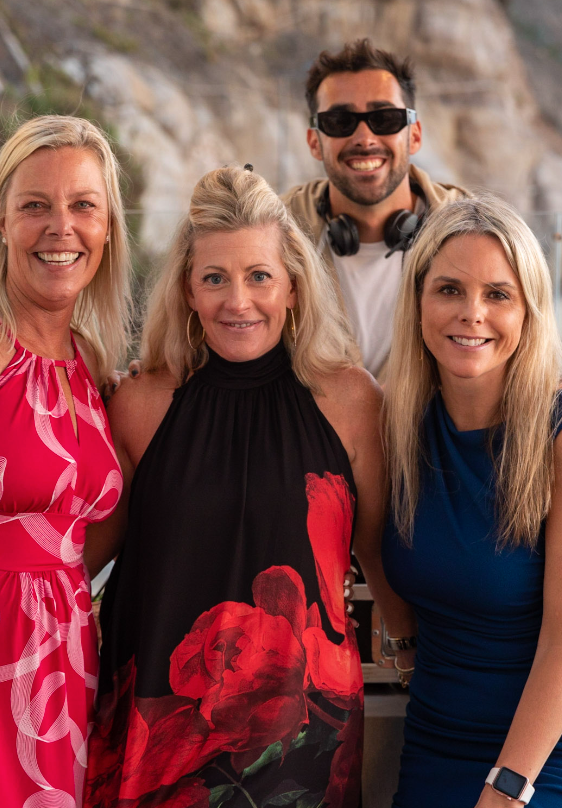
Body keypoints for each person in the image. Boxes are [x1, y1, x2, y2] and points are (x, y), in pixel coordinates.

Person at [83, 164, 390, 808]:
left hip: (304, 741)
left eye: (259, 277)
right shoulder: (141, 401)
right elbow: (85, 552)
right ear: (188, 292)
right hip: (158, 730)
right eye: (214, 279)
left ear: (294, 288)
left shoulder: (350, 400)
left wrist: (415, 644)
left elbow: (382, 556)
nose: (238, 301)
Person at [0, 115, 132, 807]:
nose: (62, 227)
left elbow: (87, 533)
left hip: (59, 665)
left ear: (109, 226)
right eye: (35, 205)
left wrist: (46, 593)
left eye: (83, 205)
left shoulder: (91, 361)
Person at [380, 194, 562, 806]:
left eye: (498, 294)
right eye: (450, 289)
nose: (472, 314)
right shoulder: (398, 424)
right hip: (430, 745)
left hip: (539, 763)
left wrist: (508, 788)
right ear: (419, 303)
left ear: (529, 310)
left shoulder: (557, 434)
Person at [282, 38, 467, 380]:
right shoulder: (275, 230)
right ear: (314, 141)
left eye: (384, 118)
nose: (365, 137)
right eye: (340, 121)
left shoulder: (472, 230)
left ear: (414, 135)